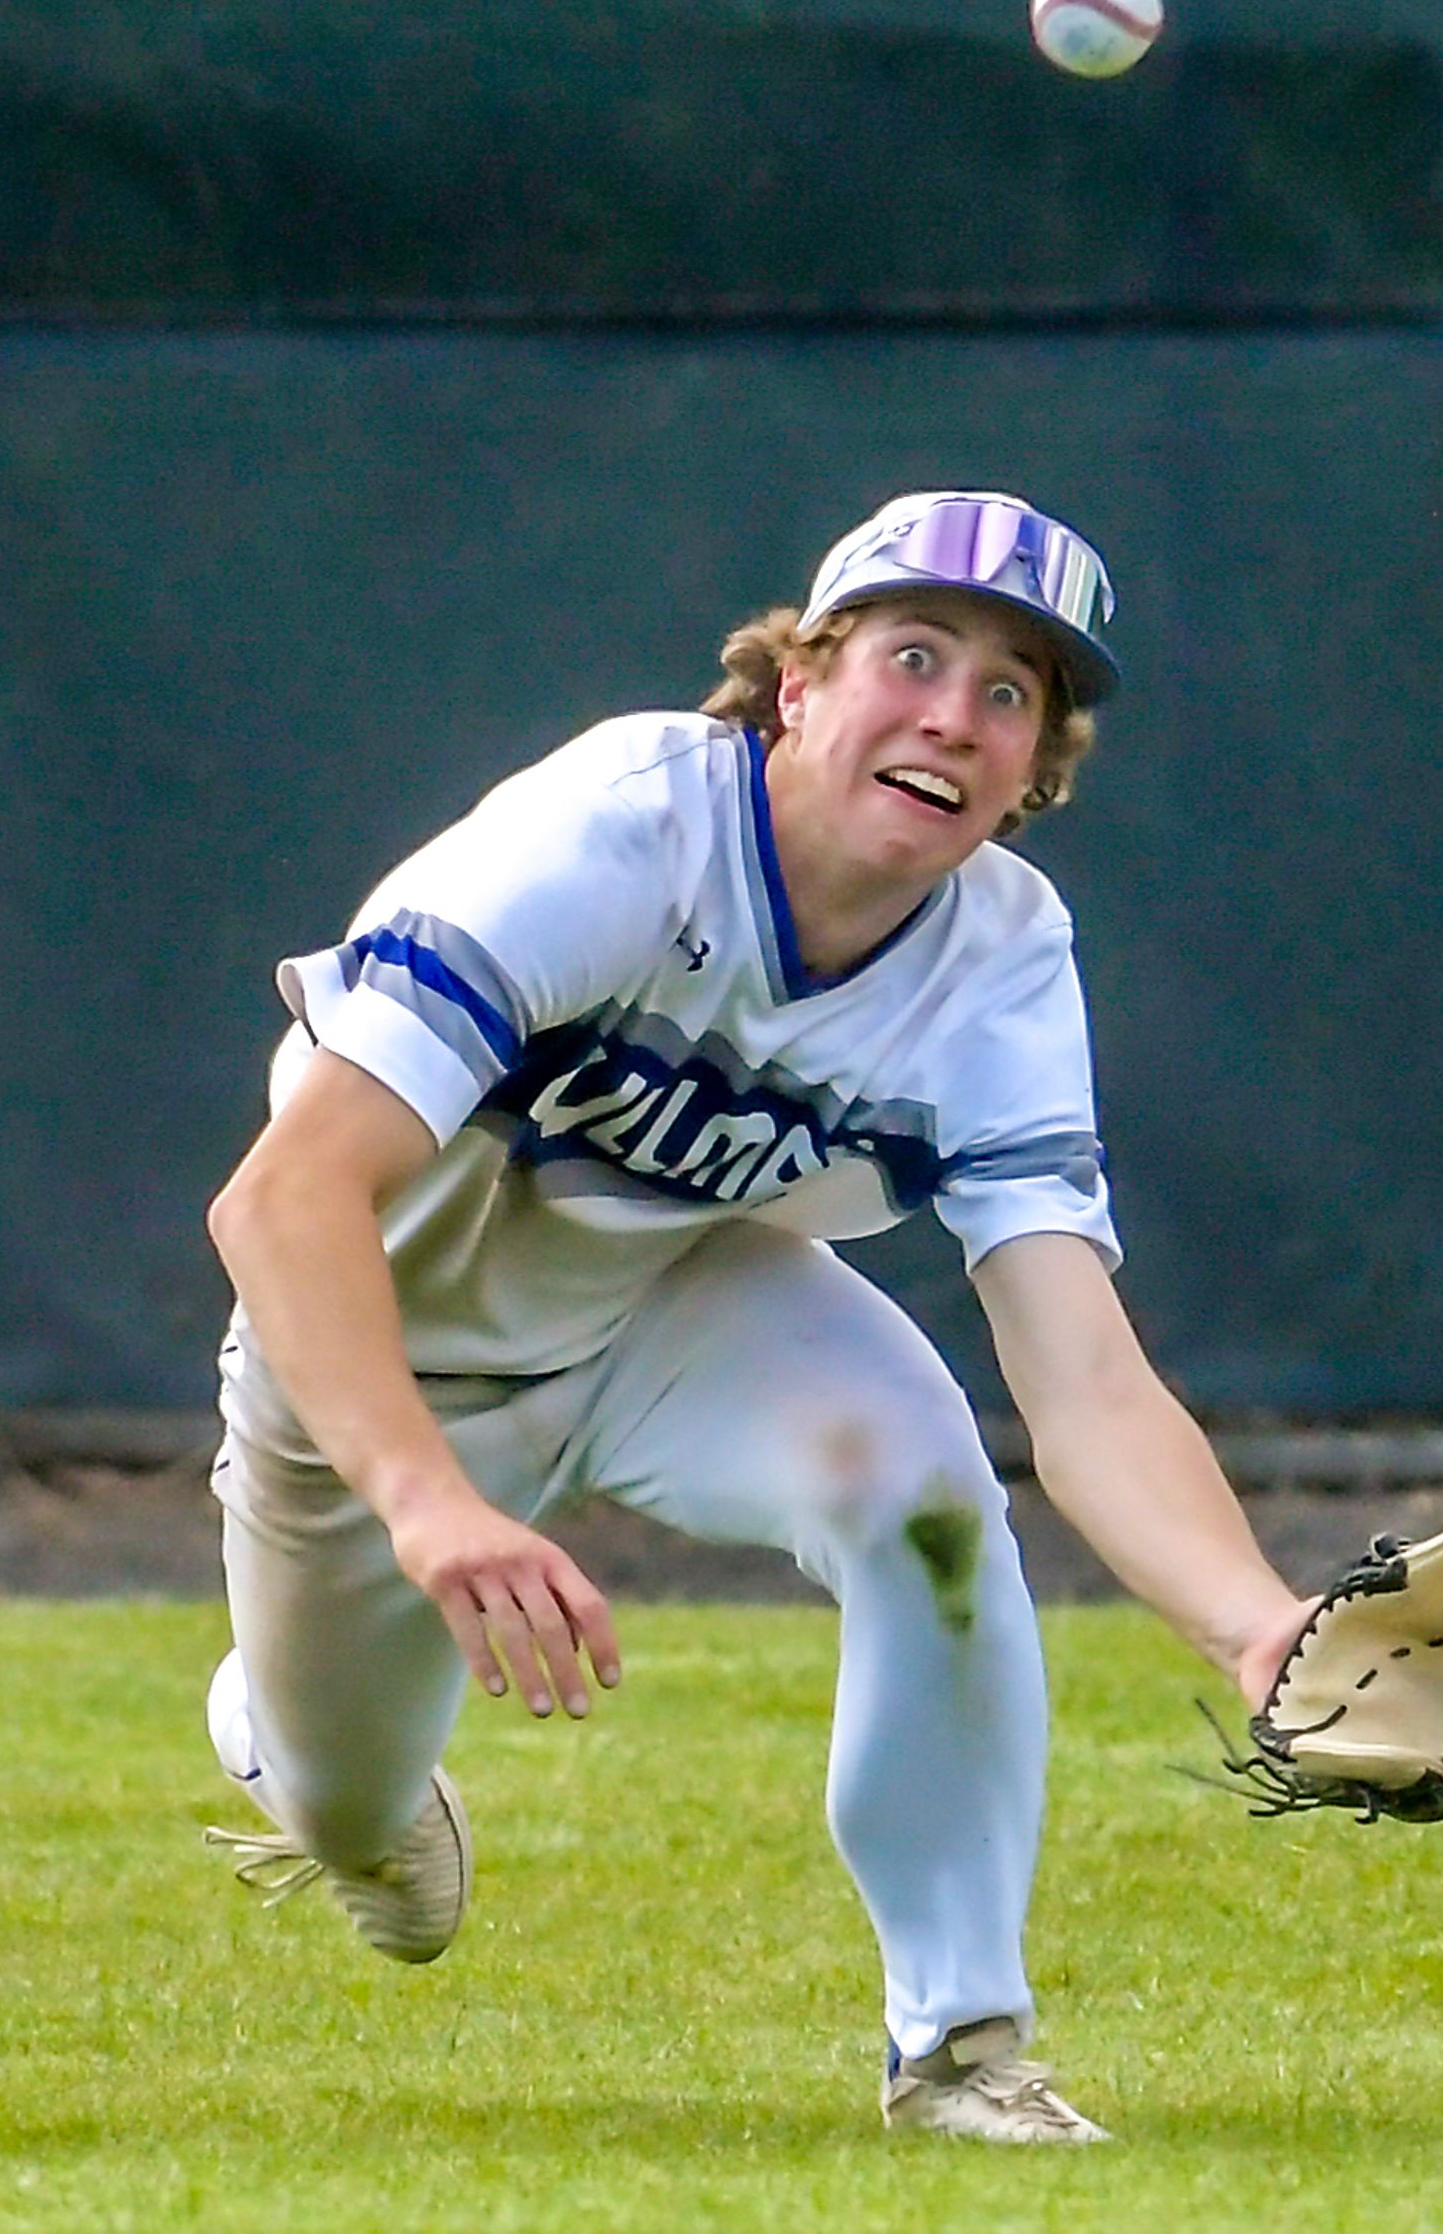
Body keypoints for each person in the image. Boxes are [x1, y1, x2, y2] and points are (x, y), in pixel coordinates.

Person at [195, 489, 1314, 2146]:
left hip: (668, 1300)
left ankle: (961, 2046)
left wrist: (1255, 1628)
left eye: (1012, 692)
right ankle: (293, 1745)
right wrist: (430, 1502)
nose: (953, 714)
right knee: (358, 1819)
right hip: (383, 1356)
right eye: (912, 655)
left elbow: (1079, 1370)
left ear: (1036, 771)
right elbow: (282, 1201)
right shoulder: (623, 829)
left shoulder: (1000, 956)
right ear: (798, 682)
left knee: (928, 1499)